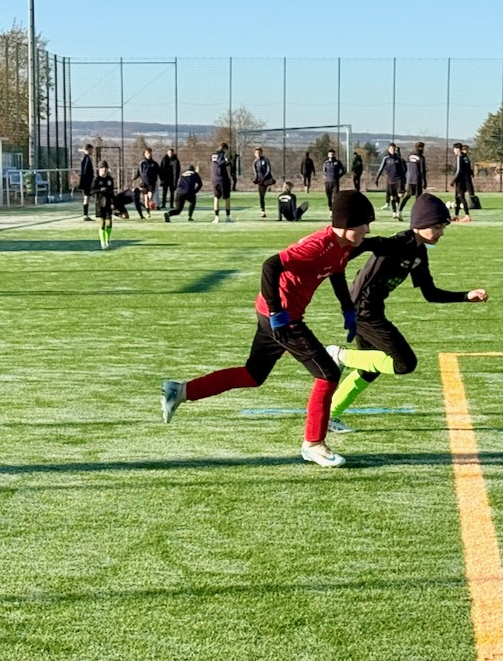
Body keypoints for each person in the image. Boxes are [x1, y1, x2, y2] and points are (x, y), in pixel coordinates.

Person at [160, 191, 378, 467]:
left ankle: (180, 391)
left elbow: (336, 271)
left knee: (253, 375)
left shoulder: (342, 247)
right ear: (348, 223)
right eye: (365, 224)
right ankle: (313, 444)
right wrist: (277, 312)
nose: (368, 230)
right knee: (328, 372)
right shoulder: (317, 245)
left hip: (277, 315)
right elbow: (270, 265)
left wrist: (347, 308)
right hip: (282, 317)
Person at [325, 193, 488, 433]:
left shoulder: (420, 253)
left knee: (370, 370)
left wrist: (465, 296)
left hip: (371, 309)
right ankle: (339, 355)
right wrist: (331, 258)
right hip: (362, 310)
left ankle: (329, 416)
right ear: (421, 224)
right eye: (438, 226)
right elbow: (366, 244)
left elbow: (430, 293)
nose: (441, 232)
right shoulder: (400, 242)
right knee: (404, 363)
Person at [398, 141, 427, 218]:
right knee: (418, 198)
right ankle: (416, 214)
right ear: (421, 148)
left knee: (408, 195)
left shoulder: (410, 156)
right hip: (417, 180)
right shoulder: (421, 158)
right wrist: (425, 181)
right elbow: (422, 170)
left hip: (410, 179)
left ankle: (399, 211)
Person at [91, 161, 117, 249]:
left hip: (108, 203)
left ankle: (107, 240)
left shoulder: (110, 180)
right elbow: (92, 191)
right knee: (102, 223)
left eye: (105, 168)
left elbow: (112, 192)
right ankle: (102, 242)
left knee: (109, 223)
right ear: (99, 169)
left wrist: (113, 203)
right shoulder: (96, 180)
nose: (104, 170)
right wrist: (100, 190)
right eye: (102, 168)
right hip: (100, 204)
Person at [376, 143, 405, 219]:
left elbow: (403, 170)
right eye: (391, 149)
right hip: (390, 180)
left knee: (400, 195)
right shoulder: (386, 158)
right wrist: (377, 178)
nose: (392, 151)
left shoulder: (399, 159)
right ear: (388, 149)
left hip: (399, 179)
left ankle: (399, 211)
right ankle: (394, 212)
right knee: (392, 197)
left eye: (393, 149)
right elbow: (381, 168)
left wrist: (404, 179)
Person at [212, 142, 235, 223]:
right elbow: (220, 163)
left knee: (216, 198)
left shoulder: (214, 154)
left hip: (215, 179)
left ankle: (216, 217)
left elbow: (220, 164)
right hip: (223, 179)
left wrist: (229, 162)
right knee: (227, 198)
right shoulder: (221, 154)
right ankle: (227, 217)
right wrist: (227, 160)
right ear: (224, 148)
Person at [450, 142, 473, 222]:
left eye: (454, 149)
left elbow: (459, 170)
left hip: (460, 181)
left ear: (457, 149)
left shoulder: (459, 157)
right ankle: (456, 216)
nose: (454, 151)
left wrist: (453, 180)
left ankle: (467, 216)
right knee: (457, 198)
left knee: (461, 197)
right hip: (464, 180)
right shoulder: (465, 157)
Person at [252, 146, 276, 218]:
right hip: (260, 181)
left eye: (259, 152)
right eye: (256, 153)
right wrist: (255, 179)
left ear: (262, 153)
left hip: (266, 179)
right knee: (261, 196)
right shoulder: (255, 162)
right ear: (254, 154)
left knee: (271, 183)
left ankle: (270, 187)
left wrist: (264, 177)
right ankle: (263, 211)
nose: (258, 154)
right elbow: (255, 172)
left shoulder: (265, 160)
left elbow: (268, 170)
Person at [138, 147, 159, 216]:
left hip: (152, 182)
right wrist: (135, 177)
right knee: (146, 198)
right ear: (144, 154)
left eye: (150, 153)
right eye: (147, 153)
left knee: (150, 197)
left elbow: (159, 172)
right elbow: (139, 172)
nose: (149, 154)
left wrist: (163, 179)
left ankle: (150, 203)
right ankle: (148, 212)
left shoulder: (154, 163)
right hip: (144, 182)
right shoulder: (142, 163)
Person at [78, 143, 95, 221]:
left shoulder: (86, 158)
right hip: (87, 182)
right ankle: (86, 214)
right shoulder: (86, 159)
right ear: (88, 149)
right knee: (89, 197)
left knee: (87, 197)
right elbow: (85, 172)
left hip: (86, 181)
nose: (92, 151)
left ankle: (85, 214)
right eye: (91, 149)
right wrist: (89, 181)